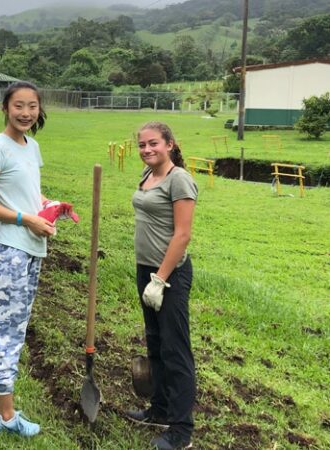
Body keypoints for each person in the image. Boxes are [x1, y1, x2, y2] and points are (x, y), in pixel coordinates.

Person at [0, 81, 75, 438]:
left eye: (32, 106)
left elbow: (31, 191)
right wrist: (25, 218)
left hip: (31, 249)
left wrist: (49, 206)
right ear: (5, 108)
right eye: (19, 106)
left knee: (9, 327)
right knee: (7, 334)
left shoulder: (32, 146)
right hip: (9, 251)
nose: (26, 113)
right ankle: (6, 416)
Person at [128, 121, 197, 450]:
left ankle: (181, 429)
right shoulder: (146, 176)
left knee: (175, 349)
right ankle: (159, 409)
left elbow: (182, 234)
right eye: (142, 145)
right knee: (155, 343)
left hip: (170, 276)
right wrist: (149, 276)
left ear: (170, 144)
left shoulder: (179, 179)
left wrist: (161, 278)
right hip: (146, 270)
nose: (147, 150)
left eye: (153, 143)